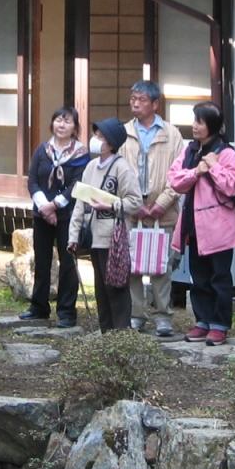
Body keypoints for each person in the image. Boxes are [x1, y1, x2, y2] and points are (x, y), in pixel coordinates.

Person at [168, 101, 235, 346]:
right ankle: (202, 321)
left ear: (212, 125)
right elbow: (174, 180)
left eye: (199, 122)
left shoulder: (226, 153)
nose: (194, 126)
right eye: (194, 121)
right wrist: (196, 172)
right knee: (198, 278)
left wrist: (213, 166)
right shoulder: (190, 151)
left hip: (219, 227)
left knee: (219, 278)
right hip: (193, 226)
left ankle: (220, 325)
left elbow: (232, 185)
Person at [120, 80, 186, 336]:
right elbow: (117, 170)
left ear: (155, 104)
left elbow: (180, 174)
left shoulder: (172, 134)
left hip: (164, 211)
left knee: (162, 265)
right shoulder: (124, 132)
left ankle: (163, 316)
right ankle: (135, 314)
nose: (135, 103)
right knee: (131, 265)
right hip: (131, 210)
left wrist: (162, 203)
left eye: (142, 99)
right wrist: (133, 203)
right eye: (133, 99)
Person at [67, 119, 143, 332]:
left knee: (116, 287)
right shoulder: (91, 167)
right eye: (96, 135)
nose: (96, 140)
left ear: (111, 143)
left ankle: (120, 334)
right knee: (100, 289)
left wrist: (110, 204)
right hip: (94, 237)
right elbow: (80, 203)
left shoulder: (122, 168)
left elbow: (135, 202)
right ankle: (106, 332)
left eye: (101, 137)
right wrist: (73, 236)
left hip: (114, 239)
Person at [22, 107, 91, 327]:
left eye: (67, 121)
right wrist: (44, 207)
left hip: (68, 215)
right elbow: (33, 180)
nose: (62, 125)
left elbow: (77, 185)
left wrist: (55, 206)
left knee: (68, 263)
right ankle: (38, 307)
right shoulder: (42, 150)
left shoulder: (81, 154)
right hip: (41, 213)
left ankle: (66, 311)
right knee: (41, 260)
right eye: (58, 120)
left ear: (75, 128)